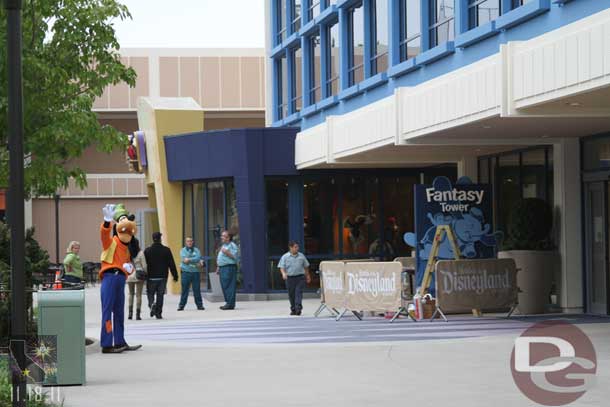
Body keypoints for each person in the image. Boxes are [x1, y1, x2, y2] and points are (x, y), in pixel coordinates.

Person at [98, 203, 141, 354]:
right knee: (107, 310)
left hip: (120, 279)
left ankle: (120, 342)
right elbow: (104, 235)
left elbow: (128, 264)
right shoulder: (111, 242)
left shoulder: (127, 248)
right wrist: (107, 221)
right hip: (110, 277)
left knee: (119, 312)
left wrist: (129, 269)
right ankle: (107, 343)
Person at [144, 232, 178, 319]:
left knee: (150, 293)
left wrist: (144, 275)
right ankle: (158, 313)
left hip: (151, 276)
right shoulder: (166, 250)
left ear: (153, 239)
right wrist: (175, 275)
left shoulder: (147, 251)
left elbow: (144, 264)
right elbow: (171, 263)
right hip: (162, 276)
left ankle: (152, 304)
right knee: (160, 295)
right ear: (160, 239)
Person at [278, 241, 311, 316]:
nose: (297, 248)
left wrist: (308, 276)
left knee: (298, 293)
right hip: (290, 278)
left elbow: (306, 267)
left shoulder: (301, 256)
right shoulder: (285, 257)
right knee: (291, 295)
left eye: (297, 247)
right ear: (291, 247)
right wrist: (283, 273)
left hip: (300, 278)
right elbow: (281, 267)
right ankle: (293, 309)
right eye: (295, 247)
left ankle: (298, 309)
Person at [178, 237, 205, 311]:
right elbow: (184, 260)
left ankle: (200, 305)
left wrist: (189, 259)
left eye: (190, 241)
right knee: (184, 290)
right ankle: (181, 305)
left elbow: (198, 258)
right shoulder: (182, 250)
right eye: (188, 241)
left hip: (195, 273)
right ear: (185, 242)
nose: (189, 242)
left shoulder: (197, 250)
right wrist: (194, 260)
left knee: (197, 289)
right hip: (186, 273)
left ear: (193, 242)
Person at [216, 230, 239, 310]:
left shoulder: (232, 245)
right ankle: (228, 303)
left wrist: (227, 252)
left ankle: (230, 304)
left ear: (228, 238)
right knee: (224, 286)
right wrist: (218, 267)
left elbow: (235, 257)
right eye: (222, 236)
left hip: (229, 268)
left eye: (223, 236)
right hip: (223, 268)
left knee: (229, 286)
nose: (221, 237)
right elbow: (221, 257)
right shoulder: (224, 245)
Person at [127, 238, 147, 321]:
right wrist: (145, 273)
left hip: (129, 275)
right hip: (139, 275)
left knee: (131, 294)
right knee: (138, 295)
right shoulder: (140, 253)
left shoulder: (127, 253)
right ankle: (137, 314)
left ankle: (130, 313)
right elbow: (144, 265)